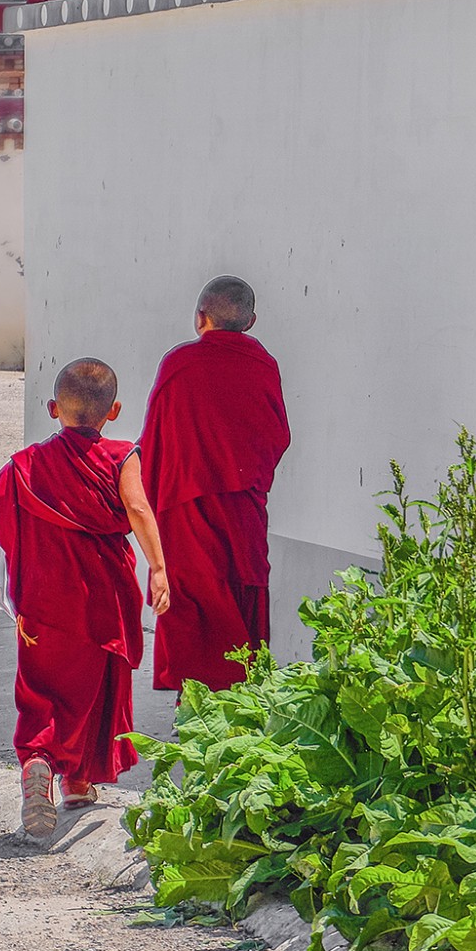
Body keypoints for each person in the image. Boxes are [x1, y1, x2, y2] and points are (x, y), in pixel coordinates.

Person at [0, 358, 170, 837]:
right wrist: (160, 568)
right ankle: (78, 782)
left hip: (43, 602)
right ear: (114, 411)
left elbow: (2, 528)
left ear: (52, 408)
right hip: (102, 598)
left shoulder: (24, 468)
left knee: (42, 687)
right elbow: (138, 507)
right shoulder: (123, 455)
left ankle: (40, 760)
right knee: (96, 690)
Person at [138, 275, 290, 695]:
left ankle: (195, 705)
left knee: (193, 607)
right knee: (242, 599)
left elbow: (155, 440)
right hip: (243, 511)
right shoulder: (264, 365)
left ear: (200, 317)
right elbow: (277, 436)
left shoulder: (179, 365)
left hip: (185, 508)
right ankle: (242, 701)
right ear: (252, 320)